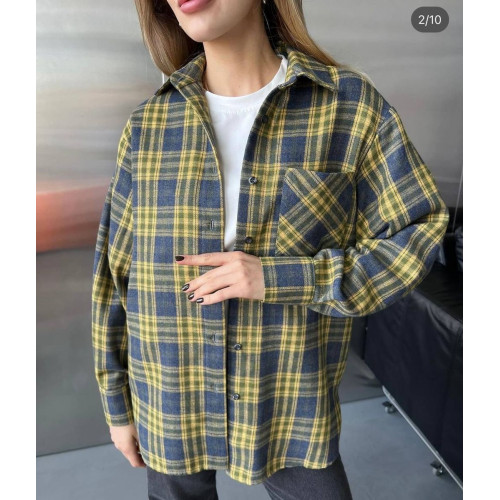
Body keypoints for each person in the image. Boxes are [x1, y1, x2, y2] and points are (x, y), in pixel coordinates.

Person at [91, 0, 450, 499]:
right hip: (169, 398)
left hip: (289, 401)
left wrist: (282, 277)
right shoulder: (150, 124)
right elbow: (114, 276)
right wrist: (117, 404)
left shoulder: (347, 107)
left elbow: (418, 232)